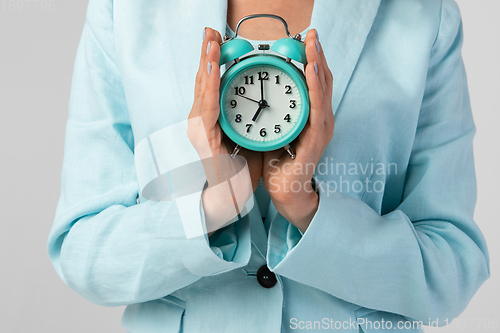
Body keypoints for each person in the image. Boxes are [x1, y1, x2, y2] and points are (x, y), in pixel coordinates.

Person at [47, 0, 490, 332]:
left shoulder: (421, 14)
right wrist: (213, 207)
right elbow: (82, 249)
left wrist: (310, 211)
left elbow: (452, 266)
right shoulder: (126, 10)